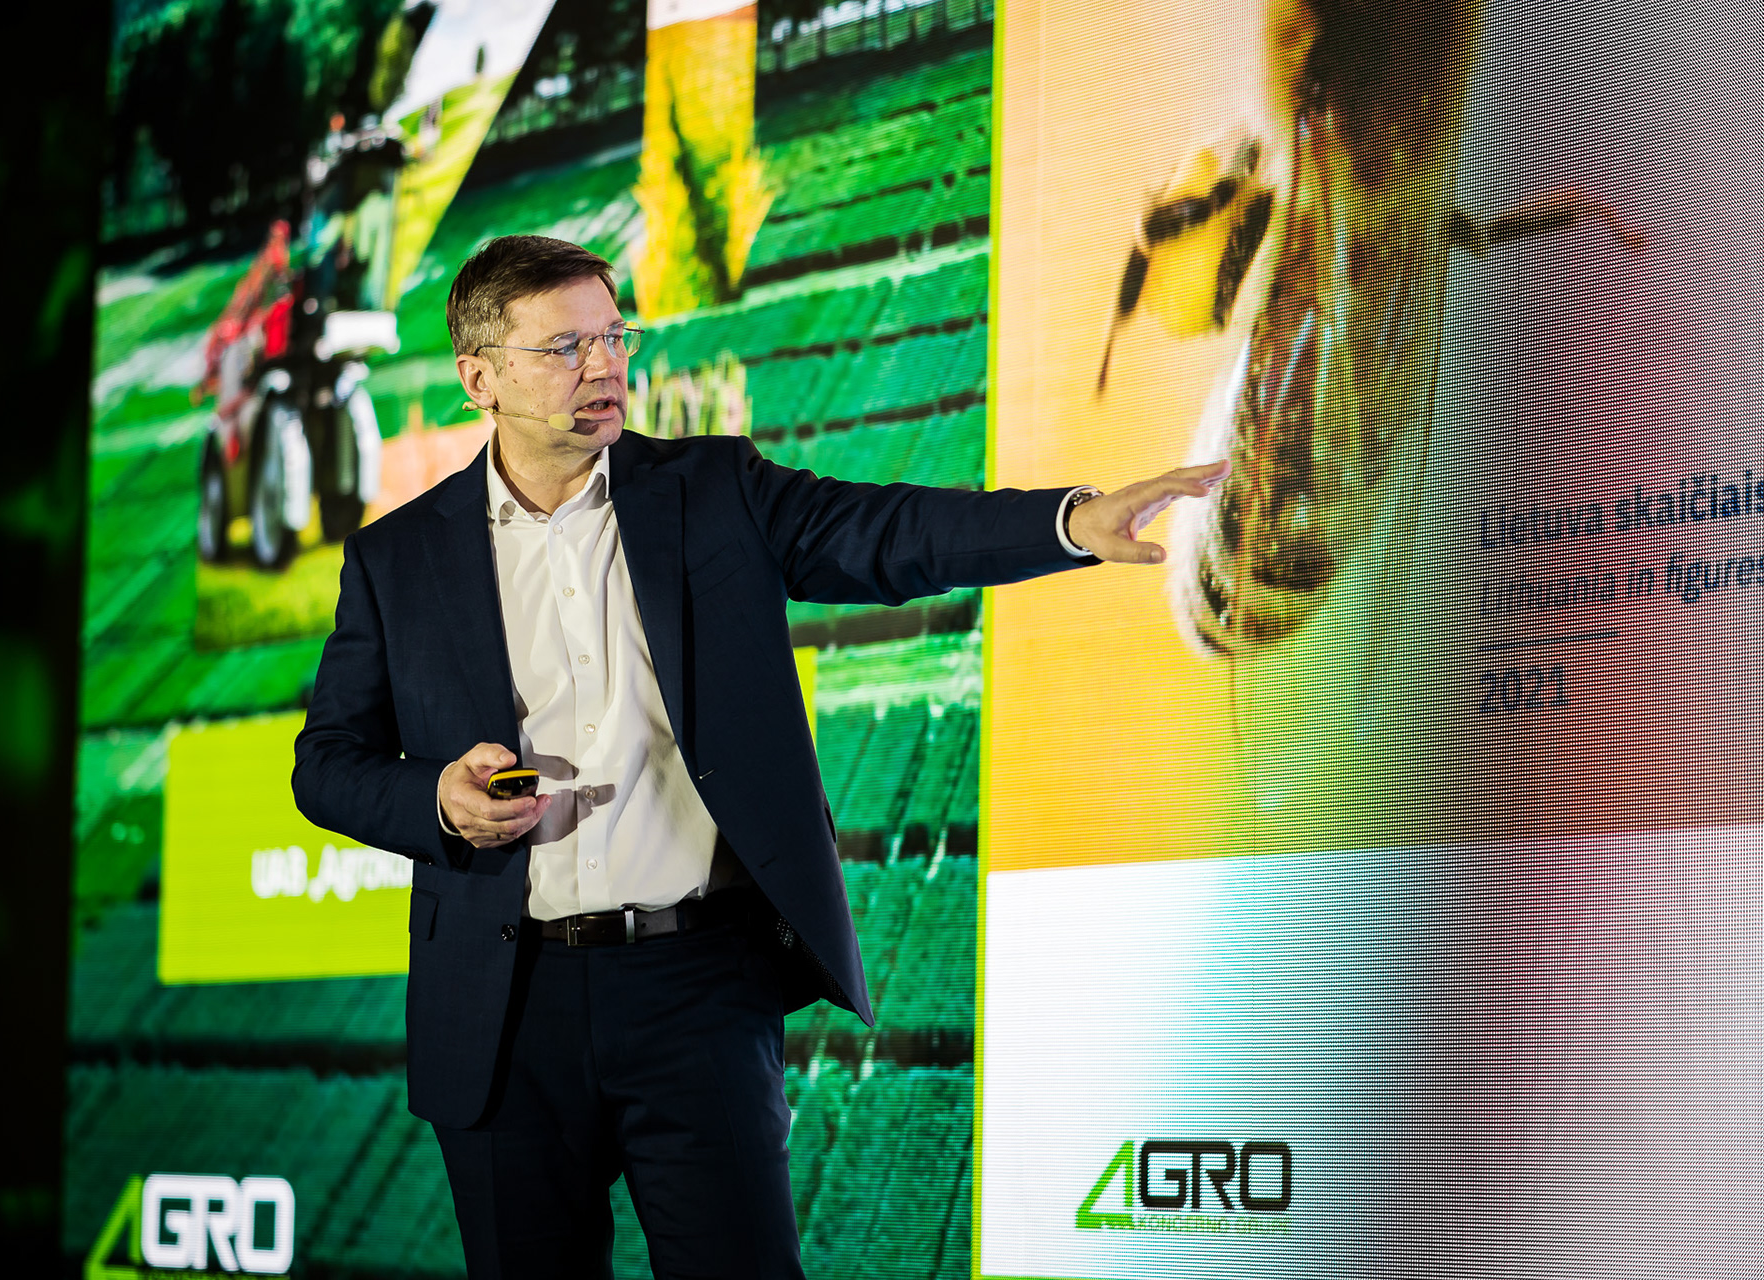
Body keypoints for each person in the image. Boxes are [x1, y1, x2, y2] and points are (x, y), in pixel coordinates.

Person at [291, 235, 1228, 1279]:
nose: (604, 366)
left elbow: (888, 533)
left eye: (614, 337)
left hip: (696, 988)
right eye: (564, 347)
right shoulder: (397, 557)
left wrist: (1068, 522)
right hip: (503, 1006)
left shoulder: (712, 489)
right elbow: (326, 763)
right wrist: (434, 798)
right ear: (480, 379)